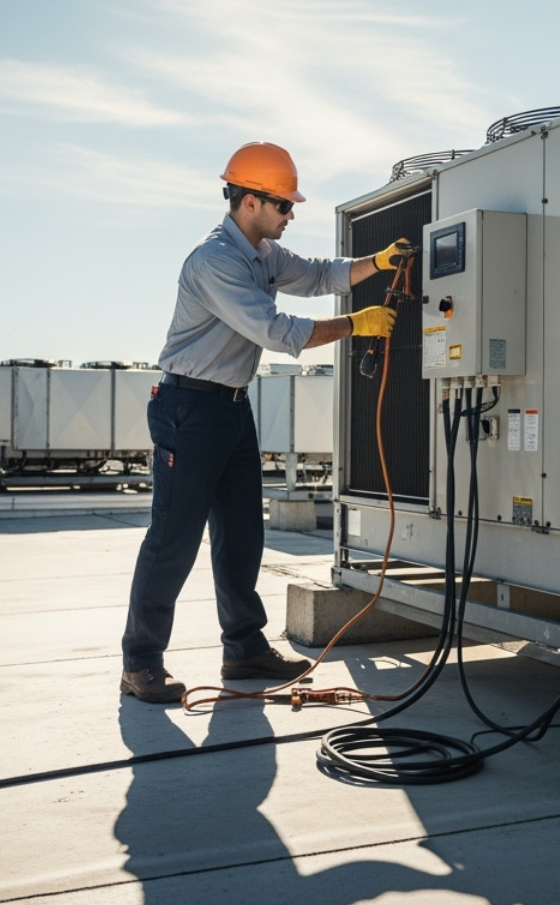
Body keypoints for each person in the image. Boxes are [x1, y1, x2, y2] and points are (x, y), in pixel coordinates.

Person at [120, 142, 411, 704]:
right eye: (282, 204)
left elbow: (319, 274)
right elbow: (277, 332)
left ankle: (244, 649)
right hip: (189, 409)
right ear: (249, 201)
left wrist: (377, 263)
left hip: (230, 406)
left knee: (242, 535)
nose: (290, 214)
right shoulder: (215, 261)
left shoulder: (262, 253)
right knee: (173, 540)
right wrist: (357, 324)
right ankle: (140, 662)